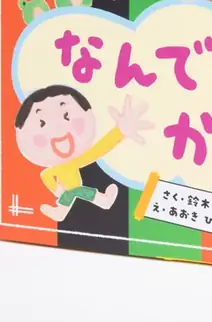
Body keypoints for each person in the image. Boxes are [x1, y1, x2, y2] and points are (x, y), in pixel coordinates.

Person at [14, 86, 153, 222]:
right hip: (71, 189)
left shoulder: (76, 160)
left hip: (72, 190)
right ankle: (99, 202)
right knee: (80, 193)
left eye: (67, 116)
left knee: (76, 195)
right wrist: (57, 190)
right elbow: (45, 175)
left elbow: (98, 150)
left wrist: (120, 132)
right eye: (42, 123)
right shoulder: (59, 166)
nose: (58, 129)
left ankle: (69, 209)